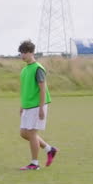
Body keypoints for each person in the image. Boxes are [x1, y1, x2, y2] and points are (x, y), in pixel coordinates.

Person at [17, 40, 58, 170]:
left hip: (36, 106)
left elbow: (42, 90)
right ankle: (49, 149)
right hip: (27, 106)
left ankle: (34, 163)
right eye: (21, 53)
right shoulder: (24, 70)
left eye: (24, 52)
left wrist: (41, 108)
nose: (22, 55)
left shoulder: (38, 68)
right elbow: (25, 89)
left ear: (31, 53)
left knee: (32, 133)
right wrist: (22, 105)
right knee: (24, 133)